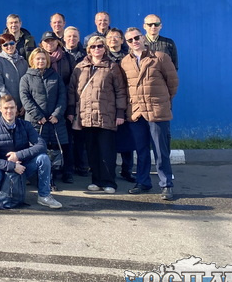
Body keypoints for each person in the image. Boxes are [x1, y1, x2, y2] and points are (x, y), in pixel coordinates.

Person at [121, 27, 179, 201]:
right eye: (130, 40)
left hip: (156, 111)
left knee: (161, 151)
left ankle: (166, 184)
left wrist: (163, 102)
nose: (134, 42)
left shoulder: (160, 57)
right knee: (141, 150)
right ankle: (143, 182)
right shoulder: (125, 62)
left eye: (136, 38)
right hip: (137, 113)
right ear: (127, 43)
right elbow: (125, 87)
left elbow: (173, 83)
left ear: (143, 38)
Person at [67, 36, 127, 194]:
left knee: (107, 150)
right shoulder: (80, 67)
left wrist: (120, 112)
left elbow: (120, 91)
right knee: (92, 151)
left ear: (105, 48)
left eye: (100, 46)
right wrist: (71, 111)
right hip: (86, 116)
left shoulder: (112, 67)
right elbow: (72, 90)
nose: (97, 49)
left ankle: (109, 182)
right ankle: (96, 180)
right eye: (93, 46)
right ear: (88, 49)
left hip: (106, 115)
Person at [0, 95, 62, 209]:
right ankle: (2, 193)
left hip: (23, 167)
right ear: (0, 109)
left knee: (43, 158)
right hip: (2, 168)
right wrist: (12, 166)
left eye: (12, 107)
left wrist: (18, 155)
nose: (9, 111)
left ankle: (44, 196)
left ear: (16, 108)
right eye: (6, 108)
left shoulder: (26, 125)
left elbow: (41, 145)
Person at [19, 48, 68, 190]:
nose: (40, 61)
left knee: (53, 152)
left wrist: (57, 114)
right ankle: (35, 179)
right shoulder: (26, 78)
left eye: (43, 58)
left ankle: (50, 180)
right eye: (38, 58)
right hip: (36, 122)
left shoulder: (55, 76)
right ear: (32, 60)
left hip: (53, 122)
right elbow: (25, 98)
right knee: (36, 150)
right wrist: (38, 116)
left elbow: (62, 96)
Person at [40, 30, 76, 183]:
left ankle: (67, 171)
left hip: (63, 104)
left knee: (65, 139)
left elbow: (73, 83)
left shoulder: (68, 58)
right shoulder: (38, 58)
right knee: (46, 142)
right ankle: (49, 173)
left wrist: (68, 107)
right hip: (45, 106)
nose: (50, 44)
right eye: (46, 41)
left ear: (58, 42)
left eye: (52, 41)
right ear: (42, 44)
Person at [105, 28, 135, 182]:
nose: (113, 39)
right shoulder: (103, 57)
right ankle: (108, 171)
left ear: (122, 40)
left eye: (116, 37)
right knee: (108, 140)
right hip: (107, 103)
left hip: (126, 101)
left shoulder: (128, 57)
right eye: (110, 37)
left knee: (127, 139)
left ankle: (127, 170)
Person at [62, 26, 88, 175]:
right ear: (64, 38)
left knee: (81, 135)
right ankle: (68, 167)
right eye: (69, 36)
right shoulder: (59, 55)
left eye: (75, 37)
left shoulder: (85, 55)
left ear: (79, 38)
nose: (72, 39)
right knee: (67, 136)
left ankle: (82, 165)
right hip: (64, 99)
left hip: (81, 100)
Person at [0, 33, 29, 119]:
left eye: (11, 43)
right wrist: (11, 106)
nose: (9, 46)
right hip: (6, 107)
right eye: (5, 45)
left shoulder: (23, 62)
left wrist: (25, 104)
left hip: (22, 108)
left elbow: (28, 85)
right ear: (1, 46)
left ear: (16, 43)